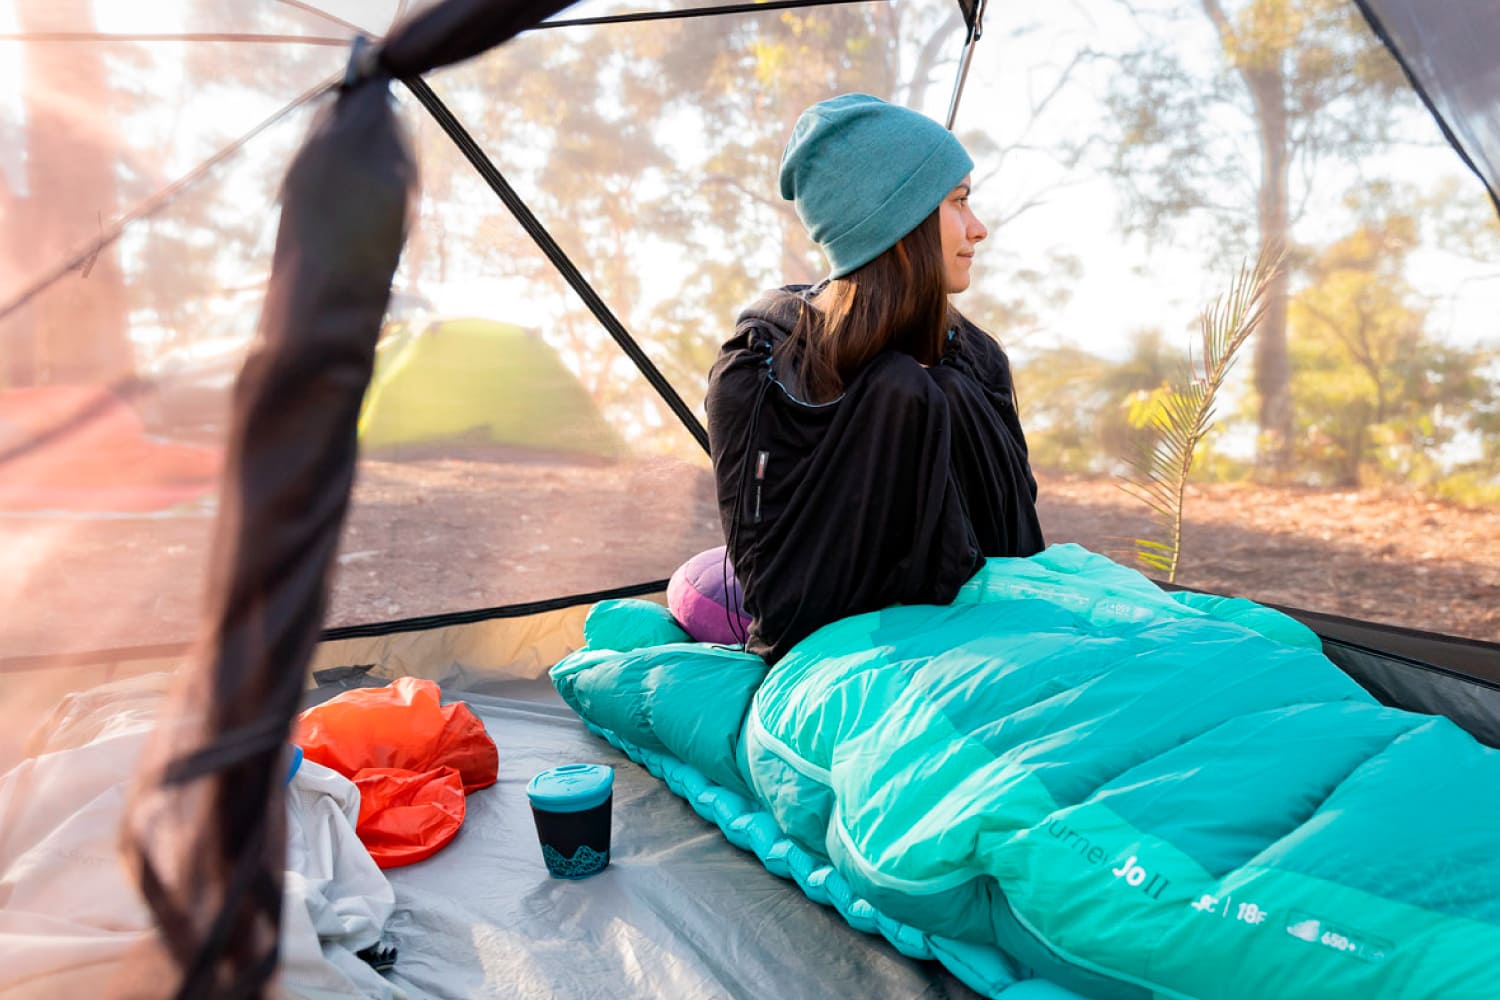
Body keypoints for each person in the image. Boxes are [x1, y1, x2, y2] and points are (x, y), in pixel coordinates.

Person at [706, 93, 1045, 664]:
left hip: (1006, 640)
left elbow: (1022, 546)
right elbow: (776, 588)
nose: (979, 228)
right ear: (899, 221)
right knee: (901, 388)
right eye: (958, 202)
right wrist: (898, 407)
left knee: (945, 390)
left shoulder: (975, 359)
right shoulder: (760, 372)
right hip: (835, 660)